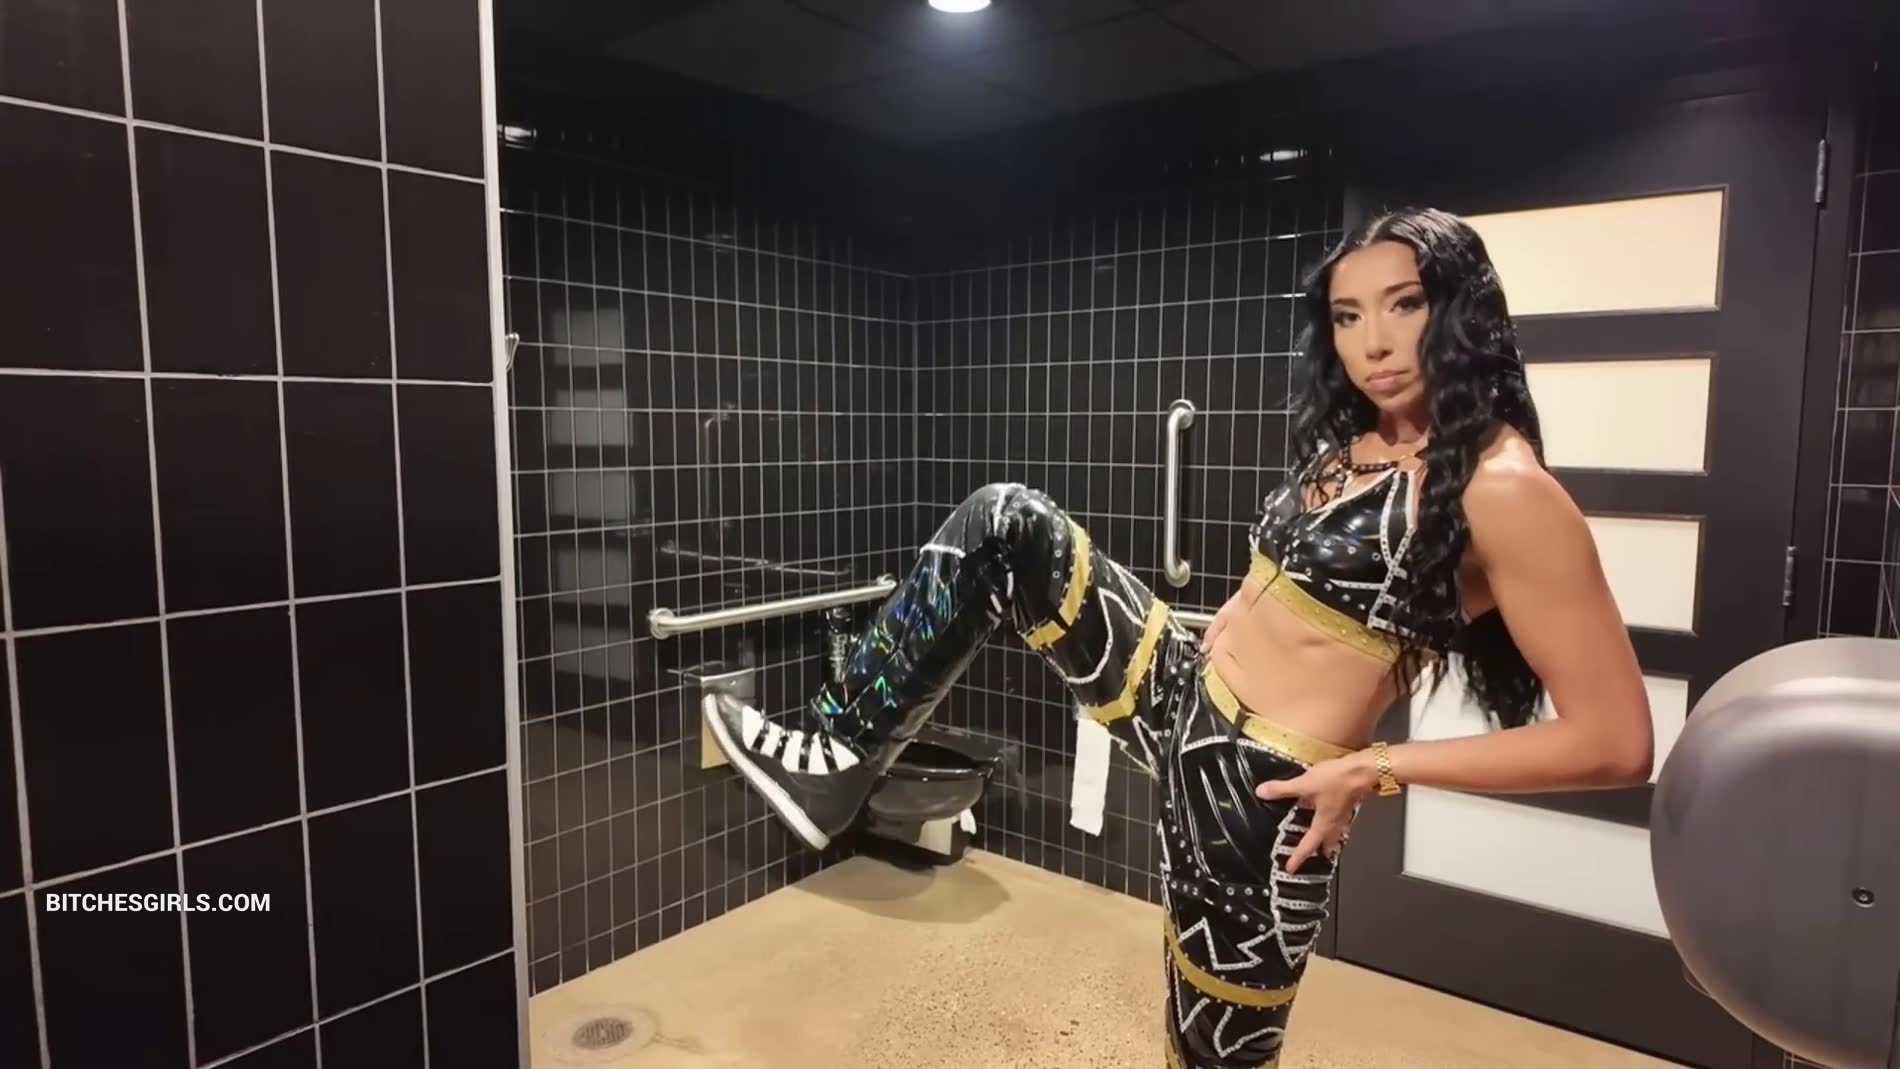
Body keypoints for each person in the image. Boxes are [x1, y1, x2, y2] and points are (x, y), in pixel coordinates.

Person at [702, 206, 1656, 1068]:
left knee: (1207, 1056)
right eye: (1347, 314)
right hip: (1184, 696)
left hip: (1258, 800)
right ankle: (837, 754)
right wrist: (1232, 612)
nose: (1374, 341)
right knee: (1005, 521)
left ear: (1460, 308)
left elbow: (1616, 741)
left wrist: (1378, 768)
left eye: (1404, 304)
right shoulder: (1354, 442)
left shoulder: (1506, 490)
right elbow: (1281, 581)